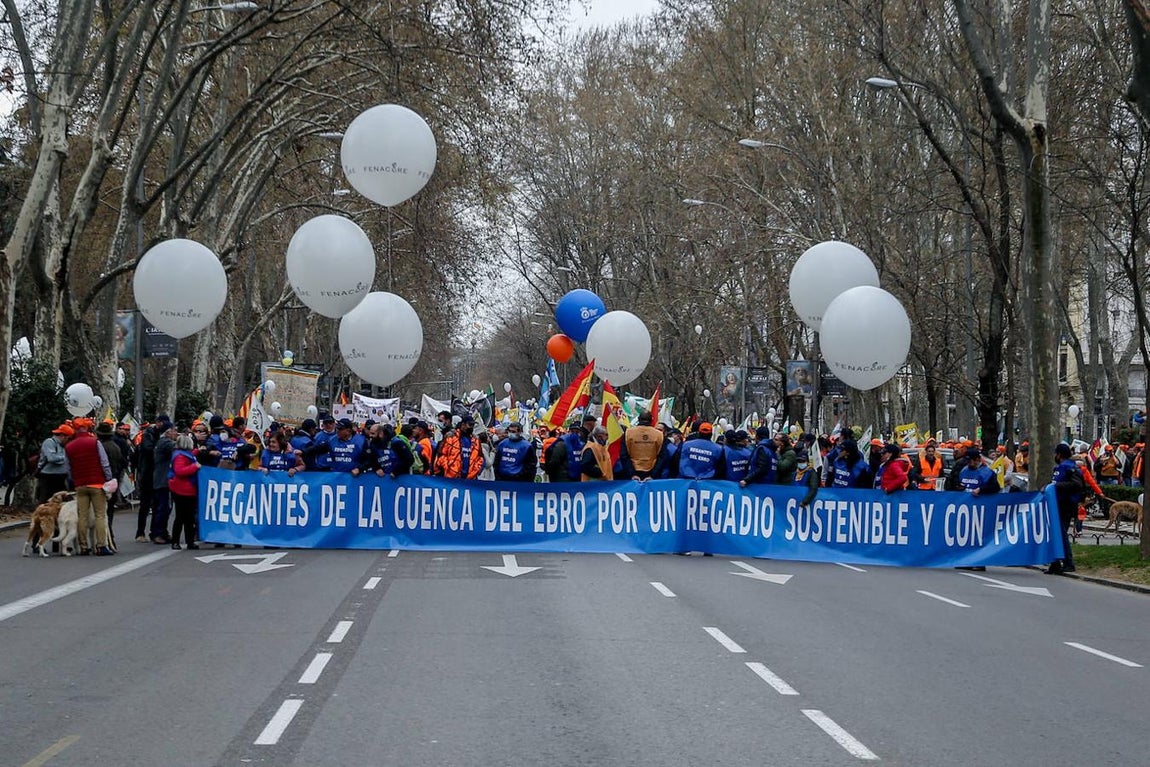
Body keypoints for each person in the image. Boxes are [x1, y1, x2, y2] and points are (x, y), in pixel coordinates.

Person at [64, 418, 115, 556]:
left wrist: (73, 480)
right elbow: (104, 462)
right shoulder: (95, 442)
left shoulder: (69, 446)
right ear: (87, 428)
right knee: (100, 515)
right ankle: (101, 546)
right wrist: (108, 478)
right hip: (97, 483)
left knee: (83, 516)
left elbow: (68, 468)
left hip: (80, 485)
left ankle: (83, 546)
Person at [1047, 442, 1085, 575]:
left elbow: (1076, 485)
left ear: (1059, 455)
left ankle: (1068, 563)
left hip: (1065, 505)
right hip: (1058, 504)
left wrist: (1057, 486)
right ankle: (1055, 563)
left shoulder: (1069, 468)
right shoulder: (1063, 467)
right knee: (1055, 534)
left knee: (1061, 534)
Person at [135, 415, 169, 542]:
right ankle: (140, 532)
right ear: (158, 423)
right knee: (145, 504)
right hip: (147, 473)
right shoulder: (148, 434)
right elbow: (148, 449)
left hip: (157, 473)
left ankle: (155, 531)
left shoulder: (161, 436)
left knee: (157, 505)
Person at [168, 433, 201, 550]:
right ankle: (176, 541)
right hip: (182, 490)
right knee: (181, 517)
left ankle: (189, 541)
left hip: (186, 489)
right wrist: (195, 467)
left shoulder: (183, 455)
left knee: (188, 518)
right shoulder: (180, 457)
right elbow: (180, 471)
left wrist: (198, 451)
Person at [94, 421, 124, 546]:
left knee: (100, 513)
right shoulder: (115, 446)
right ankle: (110, 537)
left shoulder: (99, 447)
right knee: (109, 512)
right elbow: (122, 463)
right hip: (113, 482)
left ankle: (103, 539)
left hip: (101, 482)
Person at [150, 421, 177, 544]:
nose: (176, 433)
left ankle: (162, 532)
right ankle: (159, 533)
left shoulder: (161, 442)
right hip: (163, 480)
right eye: (174, 431)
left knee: (163, 507)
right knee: (163, 508)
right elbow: (178, 446)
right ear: (168, 432)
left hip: (160, 479)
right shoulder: (165, 443)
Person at [435, 415, 484, 479]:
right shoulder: (451, 437)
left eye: (473, 425)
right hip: (451, 478)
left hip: (469, 480)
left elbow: (480, 458)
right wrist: (448, 469)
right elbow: (441, 455)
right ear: (463, 425)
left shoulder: (476, 441)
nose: (472, 427)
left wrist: (475, 472)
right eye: (470, 424)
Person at [36, 424, 72, 503]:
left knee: (61, 502)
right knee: (45, 501)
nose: (69, 441)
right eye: (68, 438)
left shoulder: (64, 446)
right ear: (63, 436)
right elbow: (51, 458)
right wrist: (65, 458)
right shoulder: (49, 442)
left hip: (61, 478)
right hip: (47, 476)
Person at [625, 411, 664, 480]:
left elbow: (624, 455)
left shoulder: (628, 433)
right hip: (651, 472)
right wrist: (653, 475)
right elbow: (662, 457)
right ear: (651, 420)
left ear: (638, 419)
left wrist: (632, 474)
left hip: (633, 471)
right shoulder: (659, 435)